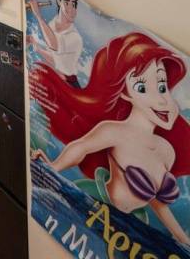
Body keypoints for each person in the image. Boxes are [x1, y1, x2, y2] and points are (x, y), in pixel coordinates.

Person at [30, 32, 190, 245]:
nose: (161, 100)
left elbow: (157, 201)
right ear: (125, 93)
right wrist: (53, 168)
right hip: (96, 205)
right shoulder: (115, 131)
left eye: (162, 86)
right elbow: (81, 147)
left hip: (131, 222)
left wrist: (181, 239)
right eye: (142, 88)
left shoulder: (166, 150)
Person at [28, 0, 84, 87]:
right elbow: (55, 59)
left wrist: (38, 15)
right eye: (66, 3)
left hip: (70, 86)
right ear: (58, 2)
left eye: (73, 4)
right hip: (56, 81)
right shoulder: (52, 24)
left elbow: (53, 45)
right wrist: (37, 48)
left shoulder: (75, 37)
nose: (71, 8)